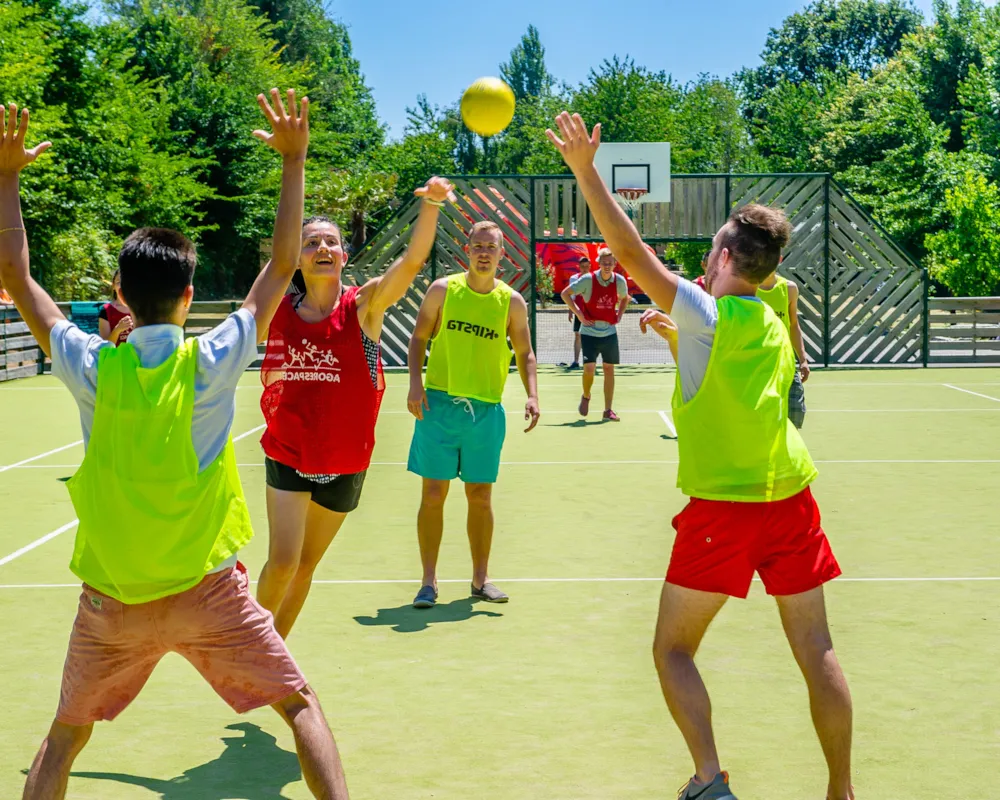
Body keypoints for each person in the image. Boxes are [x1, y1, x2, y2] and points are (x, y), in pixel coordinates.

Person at [2, 92, 350, 800]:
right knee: (299, 707)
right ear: (190, 296)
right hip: (207, 592)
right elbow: (283, 266)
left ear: (120, 295)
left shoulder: (94, 365)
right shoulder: (212, 360)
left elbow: (15, 277)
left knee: (65, 737)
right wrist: (293, 159)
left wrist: (7, 176)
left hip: (113, 599)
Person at [548, 112, 852, 800]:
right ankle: (842, 790)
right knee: (817, 650)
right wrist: (681, 333)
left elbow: (632, 260)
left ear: (720, 260)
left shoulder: (711, 316)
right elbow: (733, 368)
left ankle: (710, 780)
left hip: (726, 509)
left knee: (672, 649)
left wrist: (585, 170)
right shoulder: (768, 321)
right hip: (793, 504)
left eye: (711, 253)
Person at [256, 175, 455, 639]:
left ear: (344, 256)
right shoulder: (279, 310)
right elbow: (268, 279)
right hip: (288, 451)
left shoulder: (364, 307)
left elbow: (412, 263)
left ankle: (274, 654)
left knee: (304, 566)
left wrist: (431, 206)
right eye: (310, 243)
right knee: (283, 562)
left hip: (345, 460)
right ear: (297, 257)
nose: (322, 247)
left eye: (331, 241)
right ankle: (248, 646)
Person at [406, 220, 540, 608]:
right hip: (438, 405)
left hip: (485, 411)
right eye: (478, 246)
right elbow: (417, 339)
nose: (484, 253)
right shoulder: (443, 290)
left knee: (480, 496)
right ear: (467, 250)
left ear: (502, 254)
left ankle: (481, 580)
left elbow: (524, 353)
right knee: (433, 493)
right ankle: (428, 582)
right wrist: (415, 384)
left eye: (491, 247)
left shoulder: (511, 301)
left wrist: (533, 395)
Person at [560, 246, 628, 421]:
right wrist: (579, 314)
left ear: (614, 264)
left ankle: (608, 409)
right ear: (598, 263)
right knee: (589, 369)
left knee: (608, 369)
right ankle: (586, 394)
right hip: (589, 332)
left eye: (610, 263)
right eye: (604, 263)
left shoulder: (619, 281)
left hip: (609, 332)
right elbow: (565, 294)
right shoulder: (587, 280)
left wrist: (619, 314)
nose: (607, 266)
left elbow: (625, 298)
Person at [756, 267, 810, 428]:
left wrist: (803, 359)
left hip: (785, 360)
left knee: (795, 412)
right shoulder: (749, 288)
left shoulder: (789, 288)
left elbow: (794, 325)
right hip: (758, 362)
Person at [564, 255, 590, 369]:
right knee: (578, 335)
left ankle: (589, 361)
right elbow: (571, 297)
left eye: (586, 266)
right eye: (582, 266)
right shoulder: (574, 278)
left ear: (590, 266)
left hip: (590, 312)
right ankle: (576, 361)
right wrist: (570, 312)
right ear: (578, 267)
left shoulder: (593, 278)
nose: (584, 268)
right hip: (578, 312)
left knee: (590, 336)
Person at [97, 269, 133, 345]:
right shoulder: (106, 311)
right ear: (113, 286)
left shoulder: (140, 308)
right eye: (118, 282)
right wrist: (118, 330)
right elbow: (105, 347)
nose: (122, 286)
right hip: (116, 356)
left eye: (126, 282)